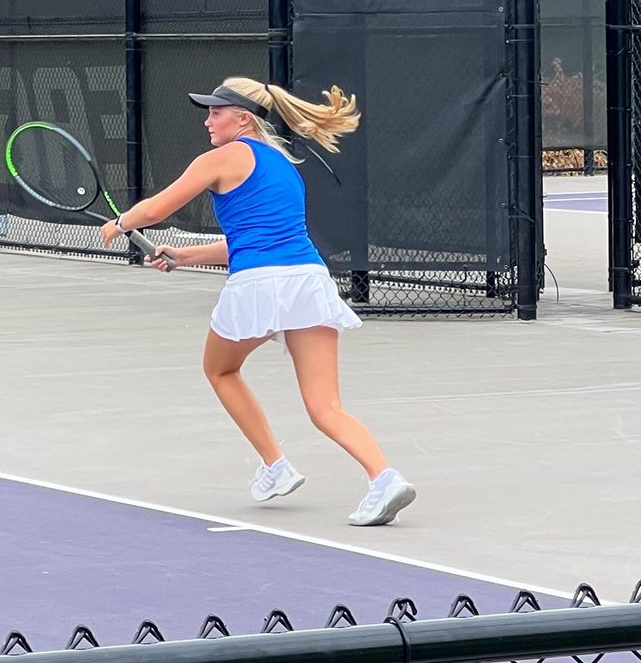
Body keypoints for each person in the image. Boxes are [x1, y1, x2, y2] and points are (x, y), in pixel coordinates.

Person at [99, 76, 416, 528]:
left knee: (220, 369)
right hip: (308, 279)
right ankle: (384, 478)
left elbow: (154, 210)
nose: (208, 120)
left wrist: (120, 222)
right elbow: (250, 240)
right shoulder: (283, 165)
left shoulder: (223, 157)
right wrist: (185, 254)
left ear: (243, 118)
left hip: (261, 284)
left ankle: (275, 465)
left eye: (216, 111)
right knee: (326, 407)